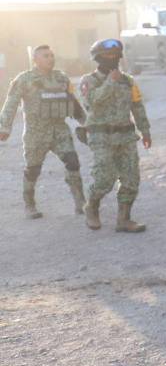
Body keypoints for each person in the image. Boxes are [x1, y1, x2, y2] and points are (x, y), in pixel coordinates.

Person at [0, 44, 87, 218]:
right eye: (45, 56)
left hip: (60, 130)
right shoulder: (24, 79)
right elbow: (11, 103)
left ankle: (81, 203)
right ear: (35, 59)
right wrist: (4, 127)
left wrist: (85, 122)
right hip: (36, 133)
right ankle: (30, 205)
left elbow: (72, 101)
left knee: (73, 162)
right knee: (33, 169)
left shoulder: (61, 78)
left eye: (51, 55)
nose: (50, 59)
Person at [78, 39, 151, 232]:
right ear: (98, 58)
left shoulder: (128, 81)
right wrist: (110, 82)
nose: (113, 59)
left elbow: (137, 106)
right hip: (101, 137)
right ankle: (91, 206)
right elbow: (92, 102)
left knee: (131, 178)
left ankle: (124, 219)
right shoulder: (88, 81)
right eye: (109, 55)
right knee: (104, 178)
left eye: (116, 55)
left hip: (126, 136)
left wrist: (145, 130)